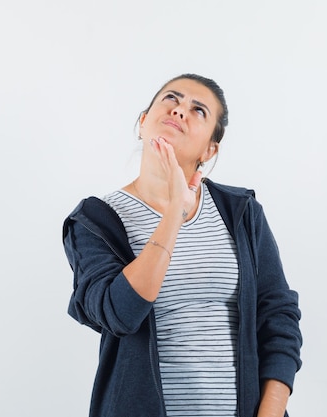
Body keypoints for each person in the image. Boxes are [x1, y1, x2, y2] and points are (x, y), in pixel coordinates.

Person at [63, 73, 302, 417]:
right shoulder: (96, 220)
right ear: (143, 122)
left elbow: (278, 315)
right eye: (171, 99)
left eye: (198, 110)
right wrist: (175, 209)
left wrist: (271, 411)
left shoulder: (241, 212)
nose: (179, 111)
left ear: (210, 149)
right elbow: (121, 314)